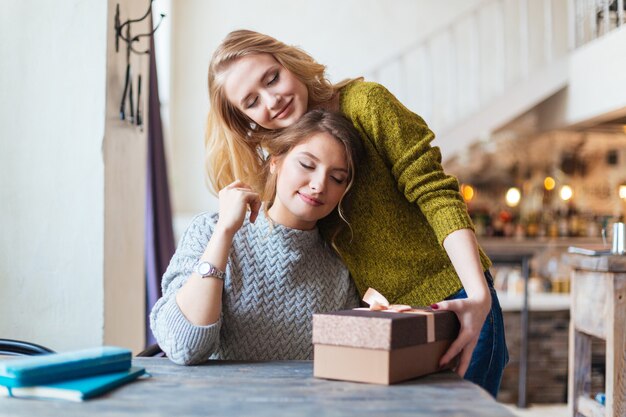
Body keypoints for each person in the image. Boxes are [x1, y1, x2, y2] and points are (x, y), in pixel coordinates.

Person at [203, 29, 508, 397]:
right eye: (252, 102)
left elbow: (436, 192)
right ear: (245, 120)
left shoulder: (365, 103)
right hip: (387, 320)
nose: (273, 99)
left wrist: (478, 294)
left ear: (288, 63)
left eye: (272, 78)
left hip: (453, 300)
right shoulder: (285, 159)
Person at [150, 109, 362, 365]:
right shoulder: (210, 231)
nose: (319, 185)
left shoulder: (338, 266)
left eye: (337, 178)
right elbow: (184, 347)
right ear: (275, 161)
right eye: (307, 165)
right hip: (217, 402)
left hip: (304, 404)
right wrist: (225, 231)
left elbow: (346, 364)